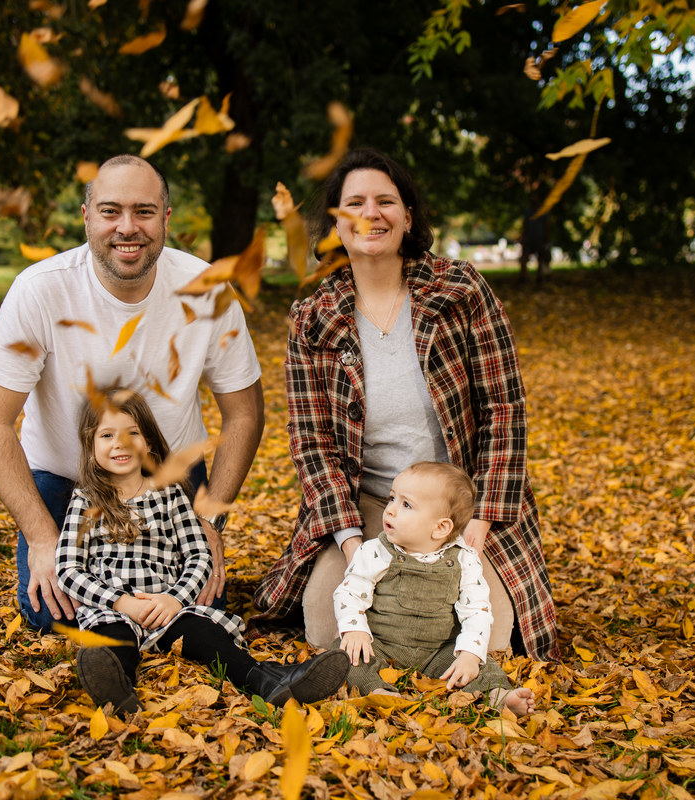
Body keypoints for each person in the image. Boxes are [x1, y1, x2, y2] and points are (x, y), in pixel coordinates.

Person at [251, 148, 560, 662]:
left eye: (386, 201)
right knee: (326, 630)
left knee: (494, 641)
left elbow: (505, 411)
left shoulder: (461, 290)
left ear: (408, 217)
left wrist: (478, 525)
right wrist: (354, 546)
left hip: (459, 502)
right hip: (372, 502)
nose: (371, 214)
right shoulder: (311, 317)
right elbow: (311, 442)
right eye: (354, 203)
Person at [0, 155, 265, 634]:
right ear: (87, 217)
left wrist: (209, 521)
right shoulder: (39, 291)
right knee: (54, 616)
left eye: (144, 211)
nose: (128, 227)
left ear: (165, 218)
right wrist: (41, 536)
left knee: (196, 610)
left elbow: (244, 414)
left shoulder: (207, 290)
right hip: (66, 479)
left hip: (170, 480)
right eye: (111, 211)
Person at [58, 389, 350, 712]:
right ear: (90, 445)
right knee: (112, 642)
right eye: (107, 435)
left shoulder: (170, 494)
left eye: (132, 433)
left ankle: (269, 680)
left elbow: (199, 556)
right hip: (113, 609)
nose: (120, 444)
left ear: (149, 442)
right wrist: (120, 602)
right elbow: (68, 569)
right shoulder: (86, 501)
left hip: (168, 610)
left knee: (206, 636)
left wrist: (175, 599)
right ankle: (117, 691)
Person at [335, 462, 536, 716]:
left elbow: (477, 610)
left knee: (479, 663)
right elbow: (350, 591)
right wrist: (355, 629)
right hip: (382, 644)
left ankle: (498, 694)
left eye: (406, 505)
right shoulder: (375, 550)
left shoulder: (464, 559)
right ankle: (377, 690)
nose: (390, 510)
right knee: (344, 652)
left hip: (438, 649)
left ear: (440, 527)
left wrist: (469, 654)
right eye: (392, 498)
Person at [518, 192, 552, 285]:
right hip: (529, 237)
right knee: (524, 257)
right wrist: (523, 237)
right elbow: (525, 224)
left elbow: (547, 225)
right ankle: (524, 276)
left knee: (540, 258)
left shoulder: (543, 211)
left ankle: (539, 277)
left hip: (540, 237)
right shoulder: (528, 211)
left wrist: (547, 239)